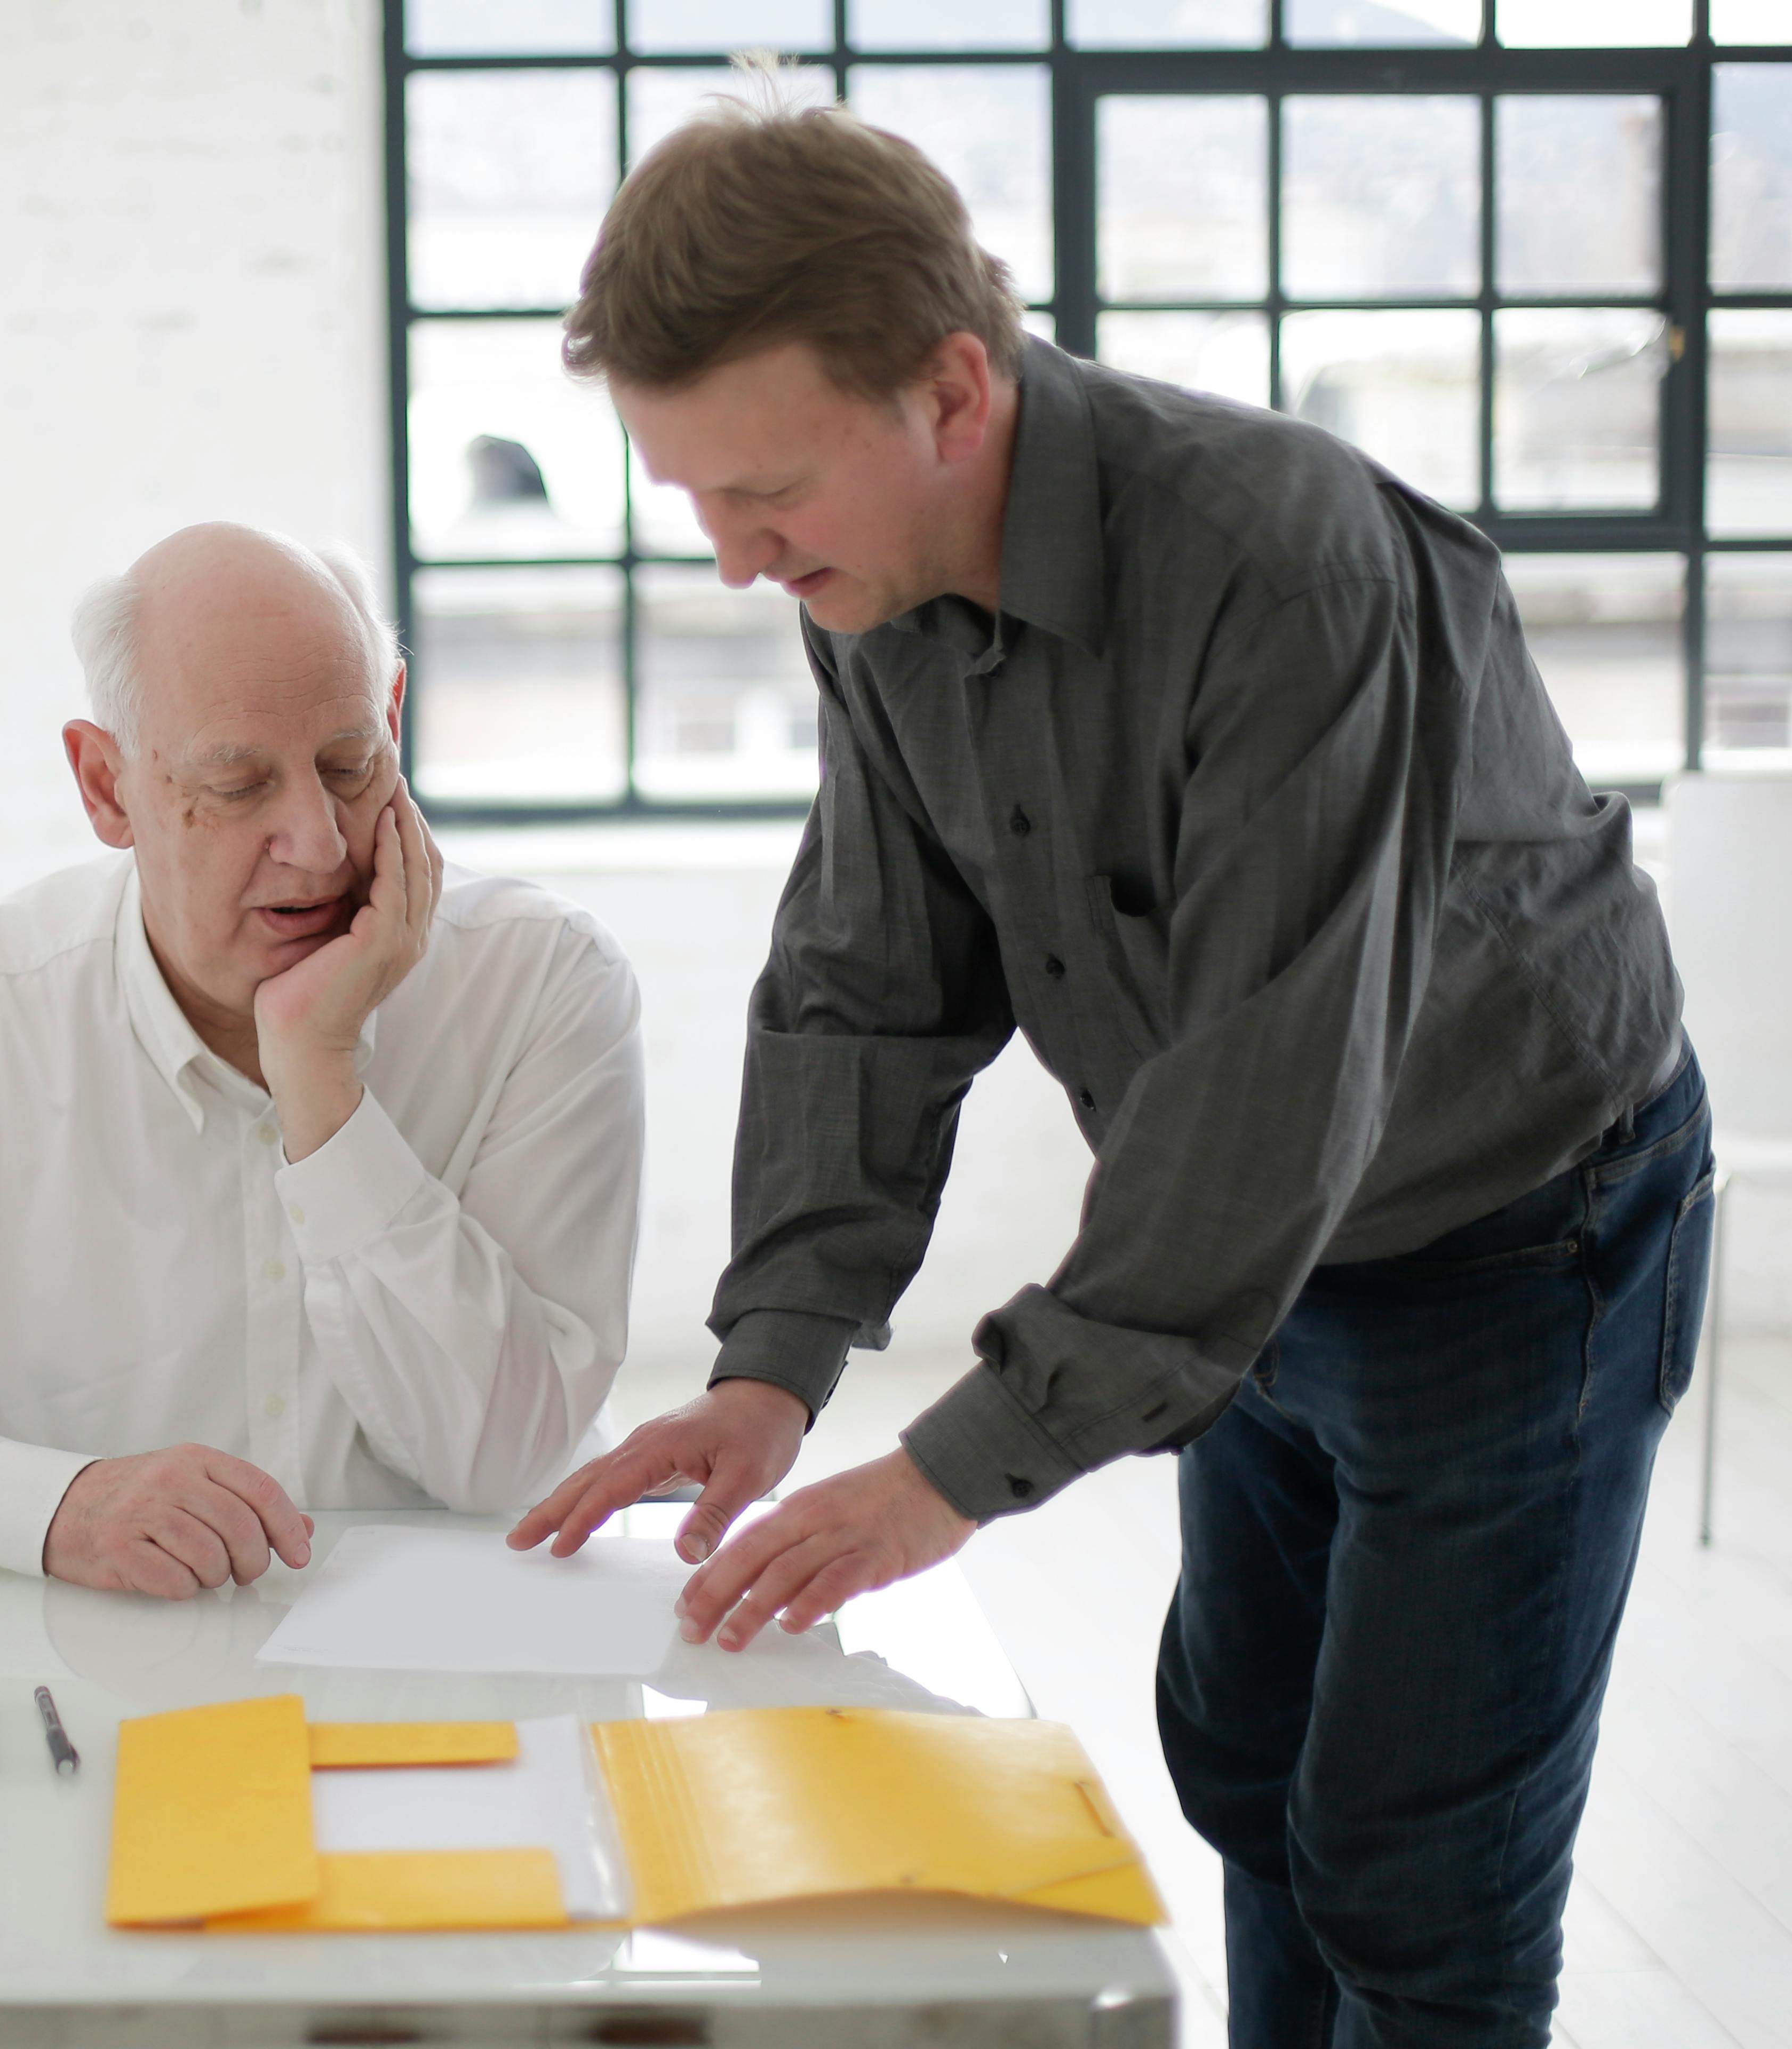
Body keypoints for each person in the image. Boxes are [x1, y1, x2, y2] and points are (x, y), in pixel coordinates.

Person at [509, 97, 1711, 2048]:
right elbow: (868, 980)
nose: (732, 559)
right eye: (695, 500)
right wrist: (770, 1365)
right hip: (1235, 1254)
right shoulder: (867, 585)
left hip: (1513, 1242)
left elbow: (1267, 1086)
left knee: (1419, 1870)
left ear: (951, 390)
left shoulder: (1288, 569)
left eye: (767, 492)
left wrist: (950, 1473)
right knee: (1248, 1763)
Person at [0, 522, 645, 1599]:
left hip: (465, 1653)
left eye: (350, 767)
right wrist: (52, 1505)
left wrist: (322, 1084)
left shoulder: (543, 984)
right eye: (237, 785)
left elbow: (505, 1464)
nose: (321, 843)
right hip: (80, 1674)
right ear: (106, 787)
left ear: (393, 722)